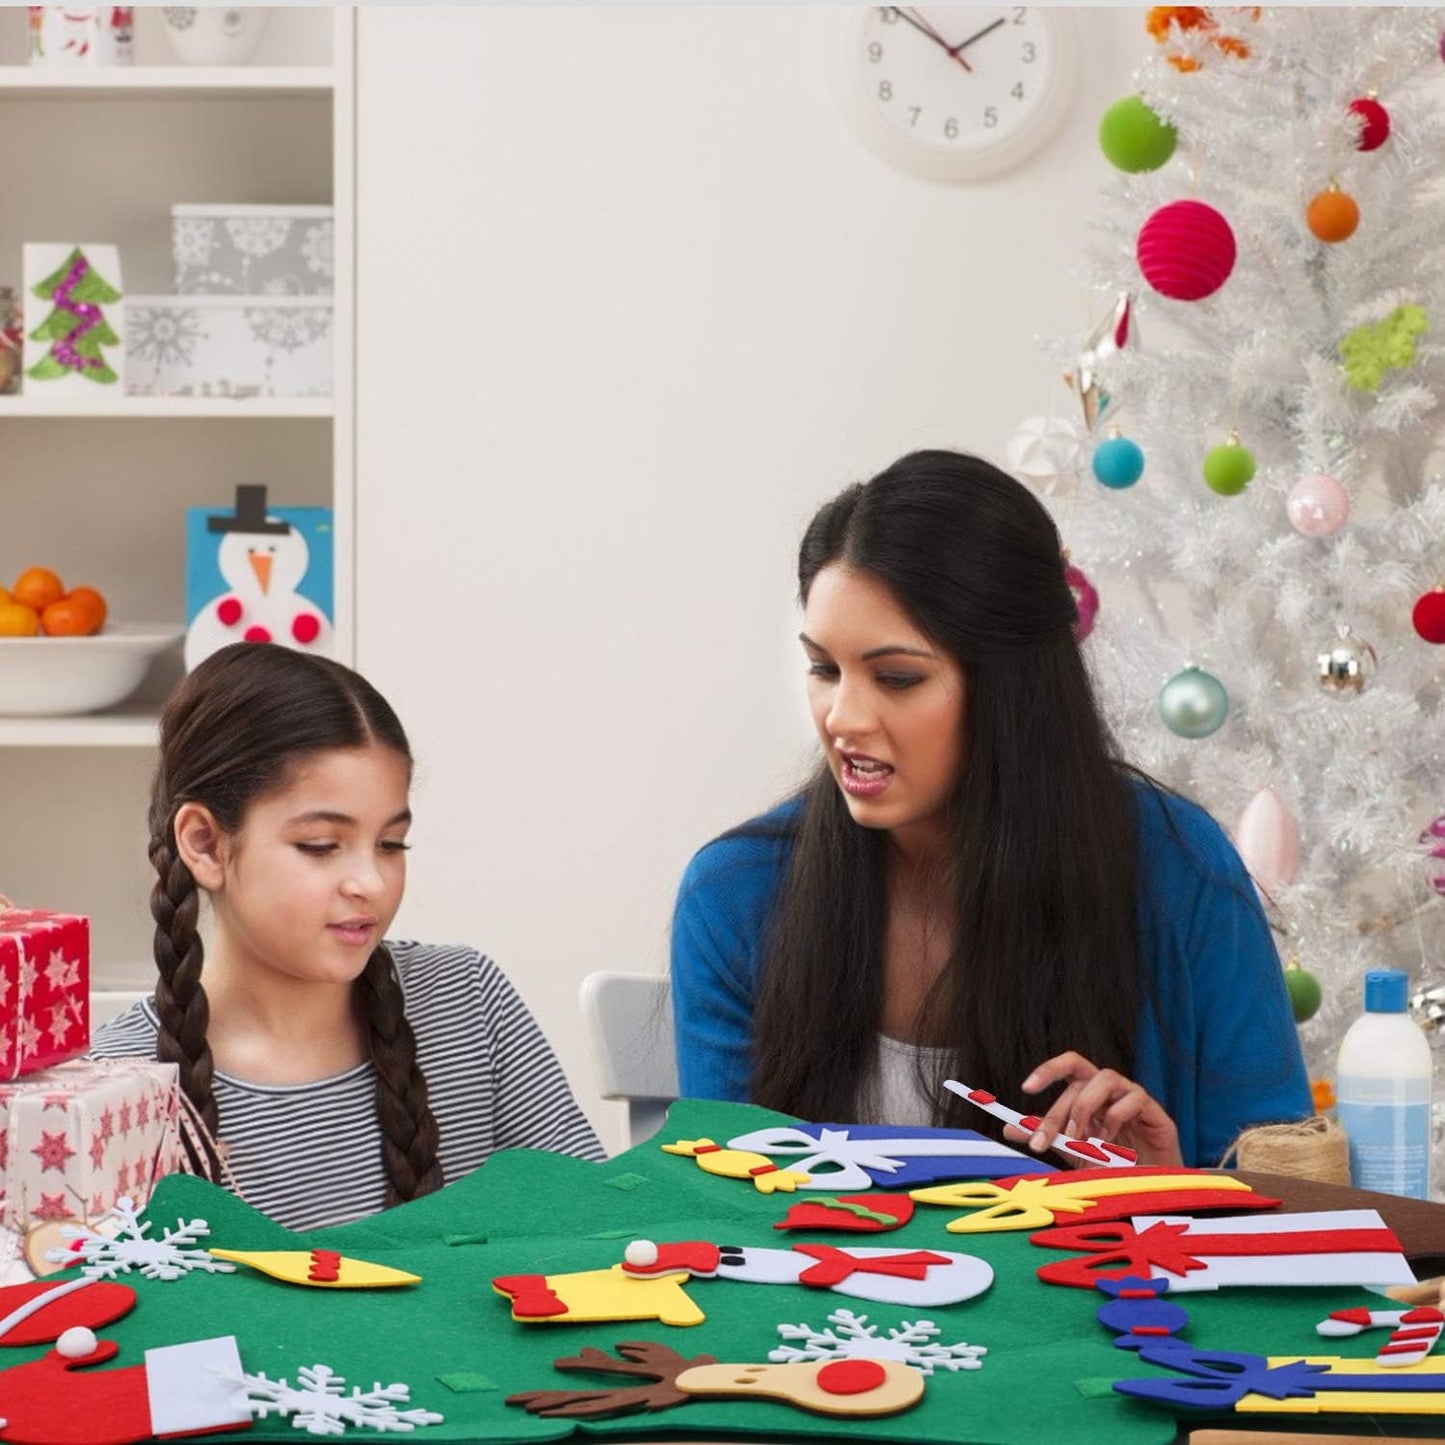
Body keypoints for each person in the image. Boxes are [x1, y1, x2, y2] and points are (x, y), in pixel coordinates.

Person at [670, 450, 1312, 1169]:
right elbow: (720, 1205)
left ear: (1011, 688)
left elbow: (1277, 1188)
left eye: (896, 677)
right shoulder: (735, 895)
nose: (841, 717)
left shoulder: (1179, 870)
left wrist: (1163, 1190)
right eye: (824, 668)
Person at [93, 642, 601, 1230]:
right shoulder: (110, 1085)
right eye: (321, 846)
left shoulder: (467, 1000)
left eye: (391, 844)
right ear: (205, 844)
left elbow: (599, 1226)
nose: (371, 883)